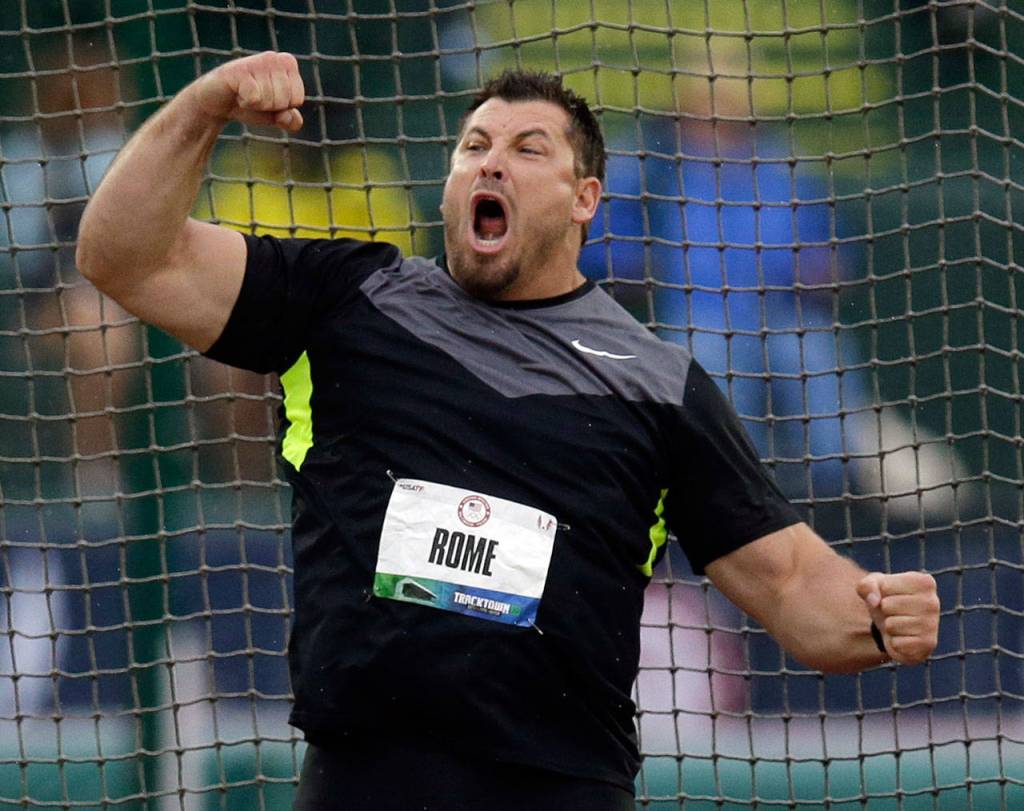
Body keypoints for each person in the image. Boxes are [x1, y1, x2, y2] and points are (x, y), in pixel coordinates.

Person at [75, 51, 941, 811]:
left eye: (529, 150)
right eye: (474, 147)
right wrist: (206, 104)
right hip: (361, 778)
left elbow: (789, 581)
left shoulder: (655, 385)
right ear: (452, 183)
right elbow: (122, 254)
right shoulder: (350, 299)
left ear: (584, 200)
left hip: (562, 784)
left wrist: (874, 612)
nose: (493, 162)